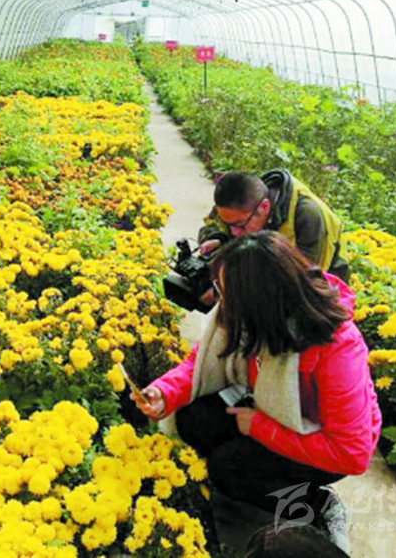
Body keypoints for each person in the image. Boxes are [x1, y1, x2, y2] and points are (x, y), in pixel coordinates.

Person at [132, 231, 381, 554]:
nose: (217, 299)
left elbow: (352, 453)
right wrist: (163, 392)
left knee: (228, 468)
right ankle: (251, 467)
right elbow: (200, 364)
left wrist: (261, 428)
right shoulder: (248, 318)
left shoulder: (337, 346)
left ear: (259, 300)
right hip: (267, 407)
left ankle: (316, 505)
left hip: (319, 440)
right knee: (194, 418)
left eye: (224, 291)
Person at [195, 169, 348, 308]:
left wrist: (227, 291)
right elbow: (211, 225)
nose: (234, 232)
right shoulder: (241, 200)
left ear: (264, 207)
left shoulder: (308, 216)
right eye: (228, 225)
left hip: (323, 287)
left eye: (239, 225)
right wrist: (218, 238)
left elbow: (306, 282)